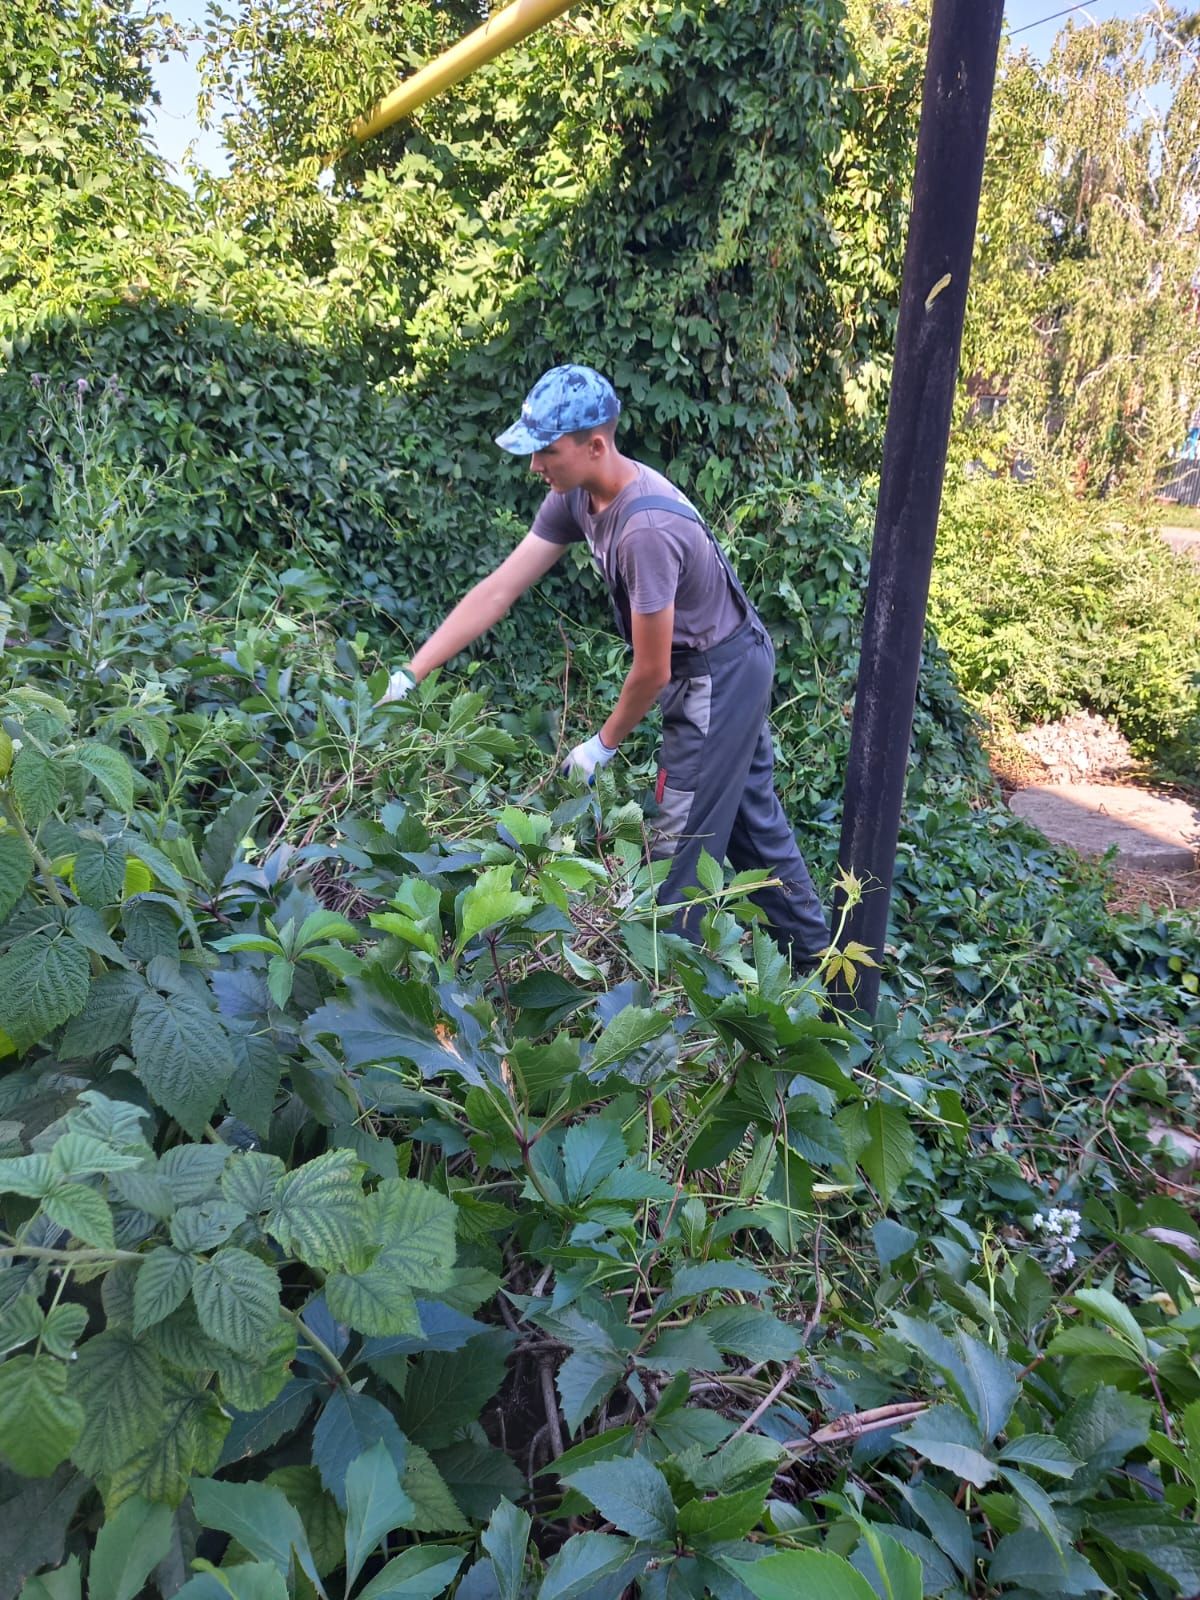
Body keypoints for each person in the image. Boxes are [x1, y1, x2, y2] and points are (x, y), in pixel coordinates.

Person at [381, 364, 829, 972]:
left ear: (596, 444)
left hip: (716, 675)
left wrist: (601, 745)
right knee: (754, 825)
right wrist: (412, 672)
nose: (536, 465)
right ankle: (827, 978)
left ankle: (665, 1015)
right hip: (719, 661)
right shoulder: (576, 496)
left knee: (680, 851)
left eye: (547, 451)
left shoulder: (645, 528)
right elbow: (498, 590)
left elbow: (651, 671)